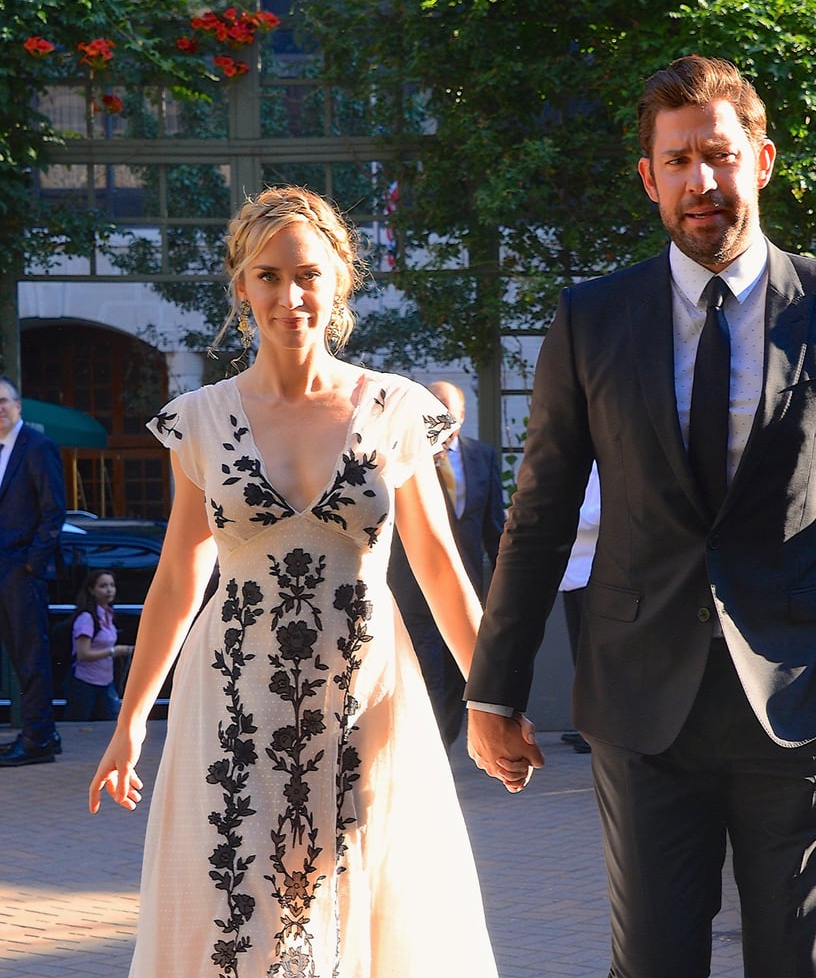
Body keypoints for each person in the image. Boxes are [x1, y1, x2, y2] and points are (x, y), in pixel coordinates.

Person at [464, 55, 816, 978]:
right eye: (678, 162)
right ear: (650, 178)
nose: (700, 182)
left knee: (799, 963)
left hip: (808, 700)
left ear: (762, 159)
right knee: (654, 963)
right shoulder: (591, 318)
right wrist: (493, 687)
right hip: (640, 707)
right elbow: (542, 511)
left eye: (718, 154)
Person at [88, 185, 528, 977]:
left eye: (308, 275)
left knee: (352, 910)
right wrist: (130, 723)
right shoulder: (197, 417)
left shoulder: (397, 409)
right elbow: (177, 579)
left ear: (341, 280)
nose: (290, 297)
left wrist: (490, 699)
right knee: (245, 921)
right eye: (267, 276)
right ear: (240, 285)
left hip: (362, 705)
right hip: (229, 708)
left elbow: (438, 569)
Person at [388, 380, 504, 750]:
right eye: (432, 405)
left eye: (445, 408)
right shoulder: (401, 455)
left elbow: (492, 526)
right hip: (409, 584)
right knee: (426, 666)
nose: (437, 413)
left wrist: (503, 585)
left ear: (461, 416)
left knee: (459, 675)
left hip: (465, 583)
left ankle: (447, 742)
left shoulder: (481, 456)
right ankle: (428, 746)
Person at [0, 375, 66, 767]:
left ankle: (38, 738)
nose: (0, 409)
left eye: (4, 401)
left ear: (19, 405)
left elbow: (53, 510)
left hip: (22, 571)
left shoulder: (38, 447)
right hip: (5, 568)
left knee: (31, 655)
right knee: (17, 654)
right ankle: (43, 733)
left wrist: (31, 563)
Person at [558, 462, 599, 754]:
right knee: (582, 657)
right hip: (573, 574)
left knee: (595, 659)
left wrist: (558, 517)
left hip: (594, 573)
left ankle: (594, 729)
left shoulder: (600, 465)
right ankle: (587, 726)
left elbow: (596, 516)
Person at [65, 570, 134, 721]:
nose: (109, 590)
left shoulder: (108, 614)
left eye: (112, 585)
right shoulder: (86, 619)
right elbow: (83, 654)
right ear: (91, 590)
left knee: (111, 723)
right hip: (85, 682)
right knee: (77, 725)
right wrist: (113, 651)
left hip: (106, 680)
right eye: (103, 586)